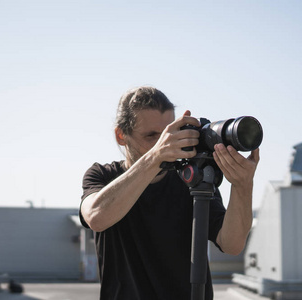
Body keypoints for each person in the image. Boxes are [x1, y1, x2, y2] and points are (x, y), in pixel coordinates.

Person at [80, 86, 260, 300]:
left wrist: (243, 186)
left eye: (169, 132)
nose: (164, 142)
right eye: (152, 136)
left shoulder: (194, 177)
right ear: (121, 135)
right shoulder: (102, 175)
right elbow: (97, 217)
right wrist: (155, 157)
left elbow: (232, 244)